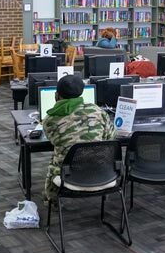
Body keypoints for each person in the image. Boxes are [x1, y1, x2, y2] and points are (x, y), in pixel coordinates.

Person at [42, 74, 115, 206]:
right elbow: (110, 137)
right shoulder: (98, 111)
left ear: (57, 95)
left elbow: (55, 142)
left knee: (56, 156)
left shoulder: (49, 120)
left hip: (69, 174)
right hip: (100, 170)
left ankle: (52, 200)